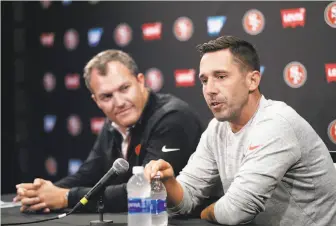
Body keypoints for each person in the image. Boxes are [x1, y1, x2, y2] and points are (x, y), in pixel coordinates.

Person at [144, 36, 336, 226]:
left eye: (221, 77)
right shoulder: (216, 129)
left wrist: (206, 213)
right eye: (204, 80)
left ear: (252, 81)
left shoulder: (276, 123)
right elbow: (185, 199)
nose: (210, 89)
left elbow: (236, 212)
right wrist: (168, 183)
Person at [14, 50, 204, 213]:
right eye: (106, 96)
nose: (119, 102)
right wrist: (43, 193)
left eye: (124, 88)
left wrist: (66, 197)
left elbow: (150, 190)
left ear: (140, 81)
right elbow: (90, 173)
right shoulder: (114, 121)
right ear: (96, 100)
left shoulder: (173, 117)